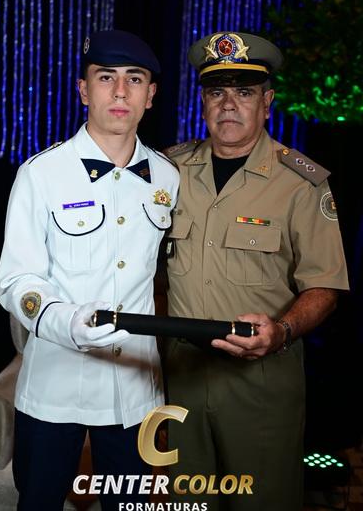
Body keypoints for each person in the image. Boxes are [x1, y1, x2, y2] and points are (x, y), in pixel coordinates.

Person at [164, 31, 349, 511]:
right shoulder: (167, 172)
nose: (229, 104)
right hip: (180, 376)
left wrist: (282, 331)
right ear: (203, 101)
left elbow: (325, 286)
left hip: (261, 380)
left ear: (267, 103)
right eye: (216, 92)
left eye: (244, 92)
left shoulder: (301, 183)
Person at [0, 29, 179, 511]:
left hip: (134, 392)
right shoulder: (41, 174)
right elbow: (16, 280)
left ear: (150, 95)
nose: (120, 91)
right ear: (83, 90)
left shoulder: (167, 177)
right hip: (55, 386)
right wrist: (66, 321)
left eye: (134, 79)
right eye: (105, 77)